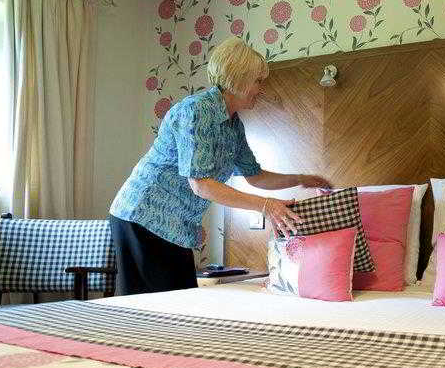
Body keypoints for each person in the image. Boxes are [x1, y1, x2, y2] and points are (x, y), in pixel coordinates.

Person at [109, 37, 330, 295]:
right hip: (143, 214)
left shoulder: (234, 126)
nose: (261, 89)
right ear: (239, 79)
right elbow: (201, 185)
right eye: (258, 81)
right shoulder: (196, 111)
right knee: (154, 307)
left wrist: (301, 179)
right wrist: (266, 206)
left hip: (176, 225)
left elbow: (256, 176)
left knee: (180, 301)